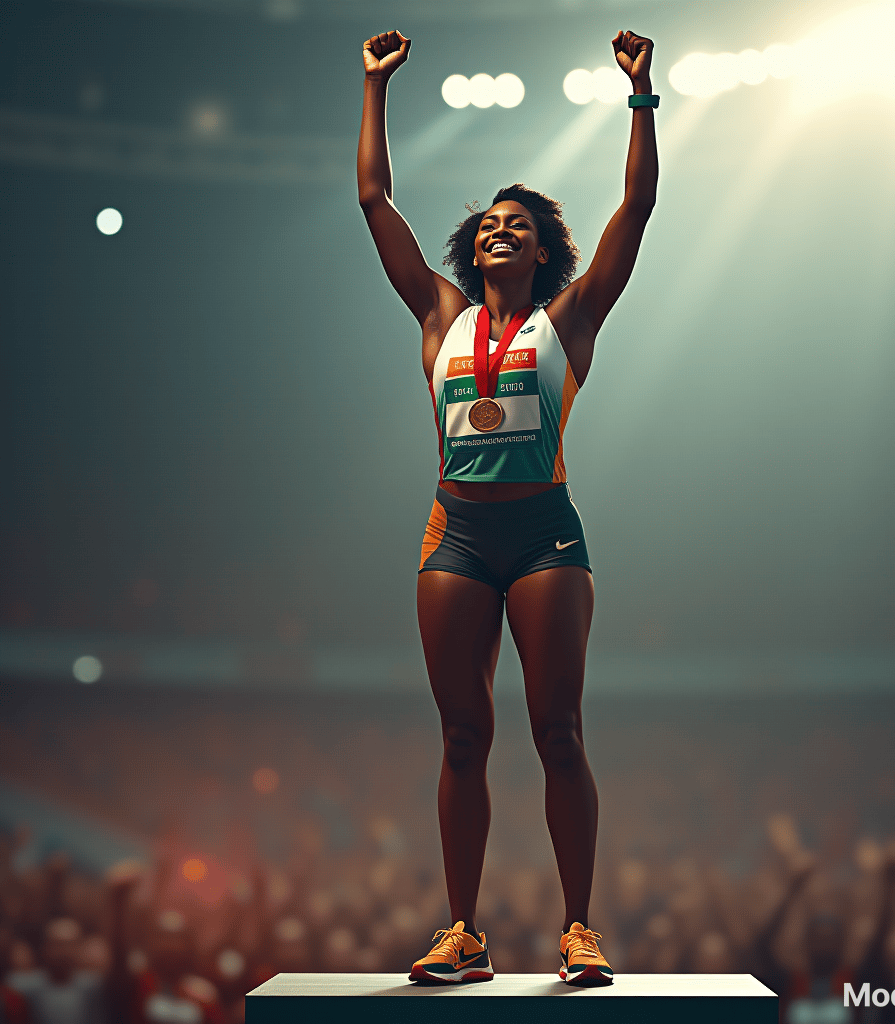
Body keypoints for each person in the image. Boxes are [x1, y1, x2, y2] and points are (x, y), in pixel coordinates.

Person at [357, 25, 658, 985]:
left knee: (558, 729)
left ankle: (577, 931)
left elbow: (639, 207)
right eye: (487, 221)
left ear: (540, 251)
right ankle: (465, 934)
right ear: (472, 244)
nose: (499, 227)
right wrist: (375, 89)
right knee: (460, 734)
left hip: (543, 539)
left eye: (517, 223)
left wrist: (642, 97)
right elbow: (373, 198)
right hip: (457, 535)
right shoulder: (438, 315)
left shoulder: (570, 319)